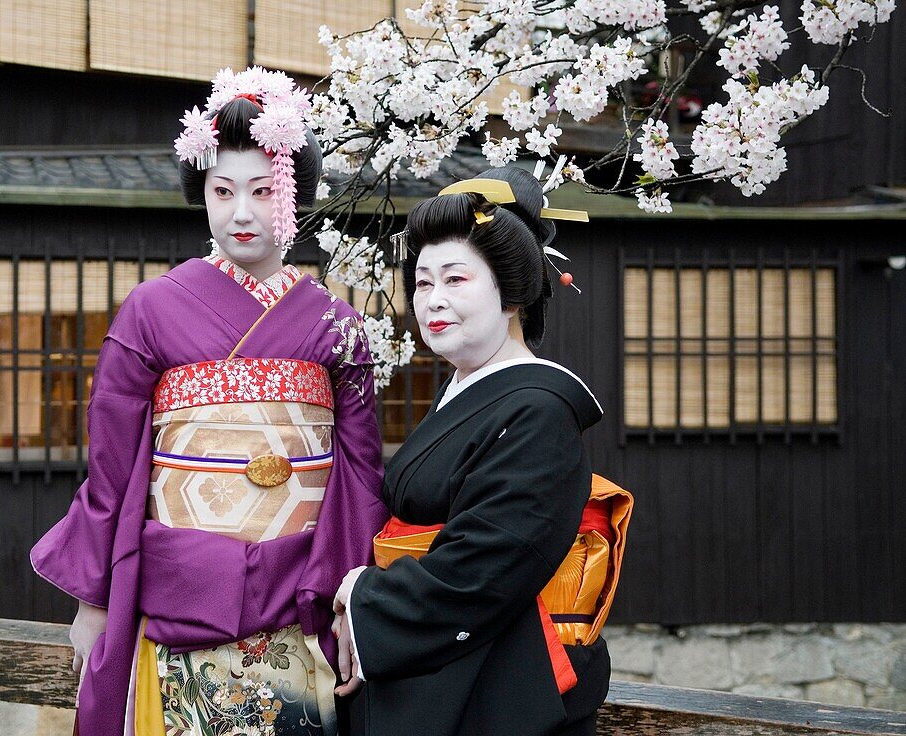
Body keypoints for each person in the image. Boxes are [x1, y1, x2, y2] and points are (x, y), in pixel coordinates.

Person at [31, 67, 388, 736]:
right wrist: (96, 598)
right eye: (223, 191)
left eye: (261, 191)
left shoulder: (338, 325)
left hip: (298, 591)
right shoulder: (151, 311)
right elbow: (111, 469)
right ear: (202, 194)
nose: (242, 212)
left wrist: (355, 597)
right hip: (181, 587)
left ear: (292, 199)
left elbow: (362, 477)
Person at [331, 166, 630, 736]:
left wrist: (363, 595)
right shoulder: (469, 394)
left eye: (455, 279)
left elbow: (485, 568)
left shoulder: (538, 410)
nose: (433, 300)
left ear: (512, 293)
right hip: (450, 669)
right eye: (421, 282)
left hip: (497, 679)